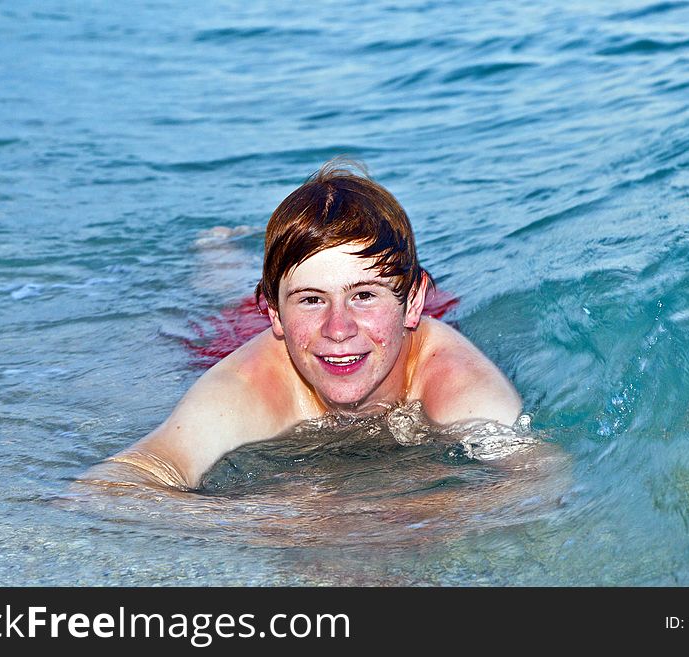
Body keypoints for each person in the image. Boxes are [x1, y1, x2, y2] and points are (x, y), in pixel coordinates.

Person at [81, 160, 522, 490]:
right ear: (274, 313)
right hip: (264, 341)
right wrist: (273, 519)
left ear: (412, 305)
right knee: (224, 312)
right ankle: (217, 252)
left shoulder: (457, 384)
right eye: (312, 300)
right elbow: (118, 484)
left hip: (405, 330)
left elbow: (532, 484)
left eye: (363, 295)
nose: (338, 327)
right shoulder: (248, 384)